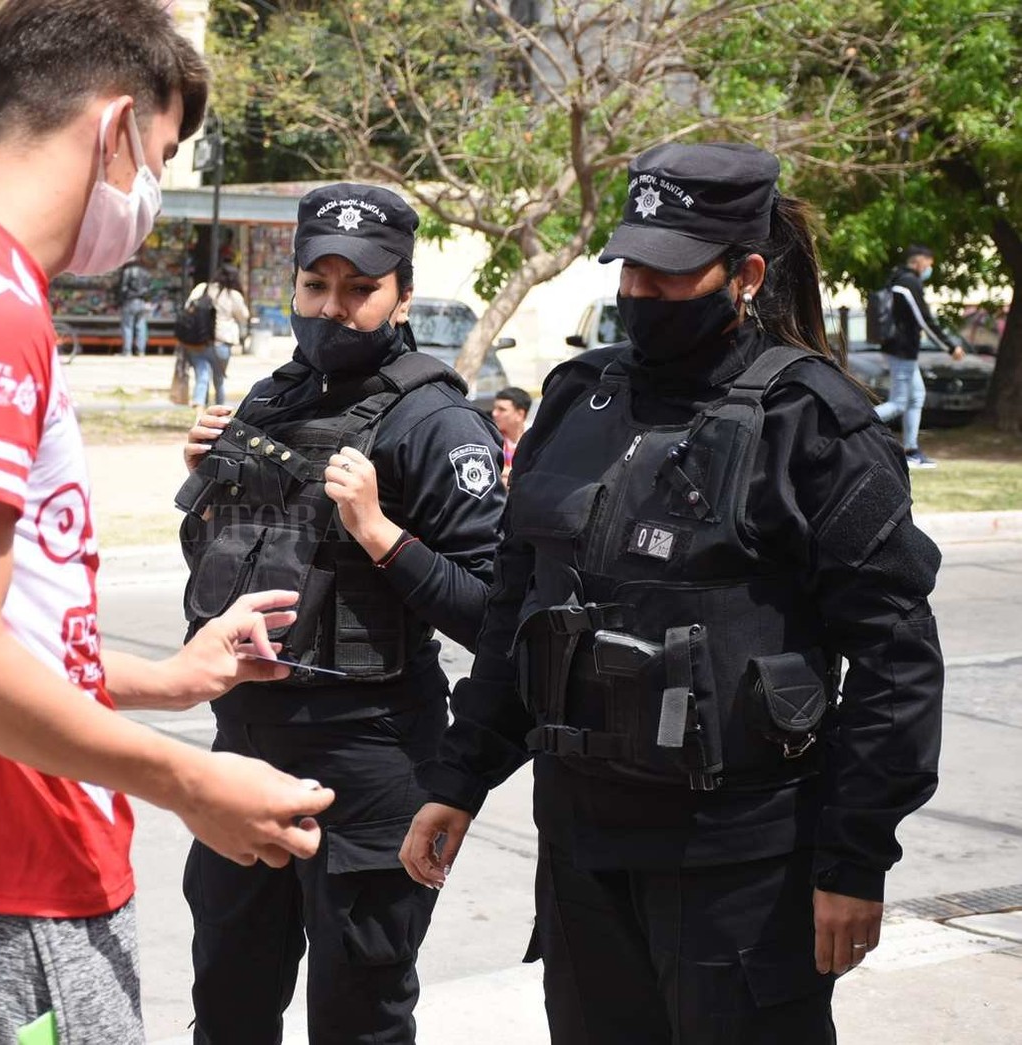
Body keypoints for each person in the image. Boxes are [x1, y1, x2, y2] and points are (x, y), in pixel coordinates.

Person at [0, 3, 334, 1042]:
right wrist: (193, 780)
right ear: (116, 128)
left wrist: (166, 681)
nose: (151, 190)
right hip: (2, 870)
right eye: (163, 154)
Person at [401, 142, 944, 1044]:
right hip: (580, 848)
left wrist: (853, 859)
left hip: (740, 864)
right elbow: (515, 611)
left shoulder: (810, 419)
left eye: (672, 273)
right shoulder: (579, 398)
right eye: (631, 268)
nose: (642, 292)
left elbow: (895, 658)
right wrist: (459, 778)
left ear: (745, 273)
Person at [177, 182, 507, 1044]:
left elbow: (493, 615)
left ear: (399, 291)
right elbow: (214, 577)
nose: (333, 308)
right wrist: (207, 496)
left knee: (357, 1018)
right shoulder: (268, 400)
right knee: (226, 1007)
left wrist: (380, 533)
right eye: (314, 285)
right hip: (245, 751)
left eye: (358, 289)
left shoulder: (437, 422)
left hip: (369, 765)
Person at [877, 244, 965, 468]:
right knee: (898, 403)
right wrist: (950, 346)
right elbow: (923, 319)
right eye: (929, 263)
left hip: (901, 349)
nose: (930, 268)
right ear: (919, 262)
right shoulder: (908, 282)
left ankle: (911, 450)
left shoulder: (897, 279)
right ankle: (848, 425)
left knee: (916, 397)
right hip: (902, 350)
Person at [186, 261, 250, 406]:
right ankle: (219, 412)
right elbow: (244, 316)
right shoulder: (233, 295)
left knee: (201, 376)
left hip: (198, 341)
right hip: (221, 343)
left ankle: (199, 408)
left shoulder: (202, 288)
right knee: (219, 380)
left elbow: (188, 307)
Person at [490, 385, 531, 485]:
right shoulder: (491, 437)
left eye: (502, 409)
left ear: (520, 414)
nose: (494, 413)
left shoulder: (536, 439)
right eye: (495, 408)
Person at [119, 252, 154, 356]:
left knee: (127, 326)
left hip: (130, 301)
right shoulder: (146, 272)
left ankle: (127, 350)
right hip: (142, 301)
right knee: (141, 325)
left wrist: (121, 299)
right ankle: (141, 350)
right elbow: (150, 288)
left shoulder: (127, 272)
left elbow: (123, 288)